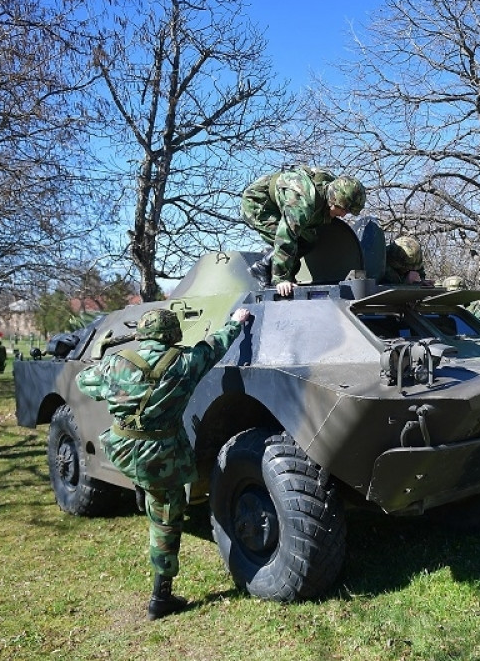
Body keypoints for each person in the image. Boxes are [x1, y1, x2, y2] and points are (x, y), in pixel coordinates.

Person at [76, 306, 252, 621]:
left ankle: (143, 489)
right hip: (159, 455)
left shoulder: (117, 363)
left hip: (122, 448)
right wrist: (236, 322)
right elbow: (214, 345)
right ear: (173, 335)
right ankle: (161, 597)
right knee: (165, 520)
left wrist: (104, 363)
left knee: (148, 482)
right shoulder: (185, 363)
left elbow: (84, 383)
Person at [241, 165, 366, 297]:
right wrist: (282, 279)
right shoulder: (303, 203)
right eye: (343, 210)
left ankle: (267, 263)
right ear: (333, 200)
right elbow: (286, 236)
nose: (343, 215)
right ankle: (265, 269)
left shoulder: (334, 187)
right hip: (258, 203)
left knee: (309, 240)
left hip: (281, 202)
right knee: (293, 242)